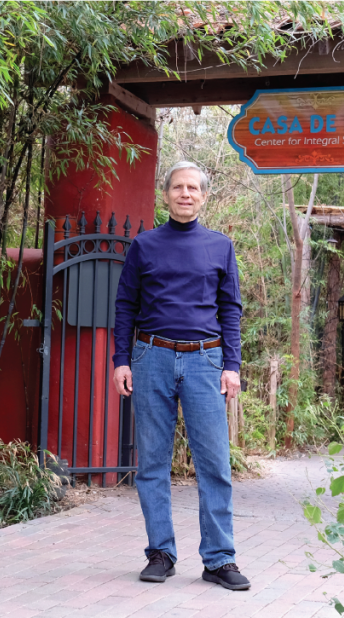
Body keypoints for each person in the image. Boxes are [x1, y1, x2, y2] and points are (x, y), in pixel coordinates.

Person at [112, 161, 250, 591]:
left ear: (204, 196)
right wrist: (121, 359)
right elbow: (125, 306)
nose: (185, 194)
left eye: (193, 188)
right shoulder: (144, 245)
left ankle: (219, 560)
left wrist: (232, 365)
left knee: (214, 463)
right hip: (151, 356)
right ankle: (161, 553)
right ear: (166, 194)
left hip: (205, 361)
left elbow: (230, 309)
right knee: (152, 460)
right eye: (177, 187)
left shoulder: (220, 246)